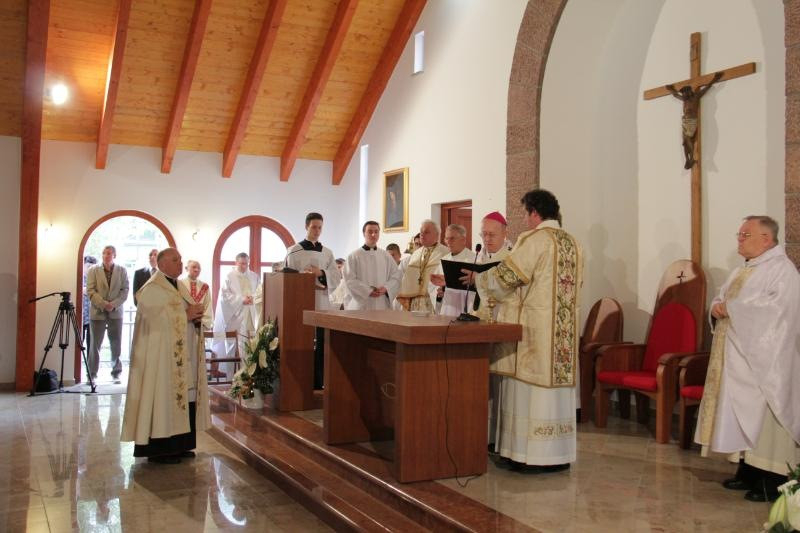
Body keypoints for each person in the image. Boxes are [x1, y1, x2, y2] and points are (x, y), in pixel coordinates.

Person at [476, 189, 582, 471]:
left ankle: (528, 457)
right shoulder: (573, 243)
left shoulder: (535, 240)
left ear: (535, 213)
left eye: (525, 213)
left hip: (534, 333)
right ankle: (558, 455)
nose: (525, 220)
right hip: (561, 335)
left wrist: (480, 280)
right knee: (555, 395)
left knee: (528, 392)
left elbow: (508, 277)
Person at [695, 215, 800, 502]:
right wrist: (716, 306)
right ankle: (749, 472)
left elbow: (779, 311)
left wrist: (732, 308)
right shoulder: (745, 269)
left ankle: (773, 479)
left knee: (766, 420)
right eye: (739, 234)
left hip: (767, 363)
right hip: (738, 357)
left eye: (746, 235)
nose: (739, 240)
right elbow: (723, 297)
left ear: (766, 239)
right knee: (742, 415)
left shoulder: (782, 270)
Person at [121, 248, 210, 464]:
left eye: (180, 260)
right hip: (161, 360)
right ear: (161, 265)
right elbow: (153, 322)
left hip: (181, 355)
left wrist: (195, 317)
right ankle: (160, 450)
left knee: (183, 398)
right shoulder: (152, 288)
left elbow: (184, 313)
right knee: (163, 398)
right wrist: (185, 315)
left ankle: (180, 445)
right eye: (175, 260)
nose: (180, 263)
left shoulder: (178, 285)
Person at [285, 212, 341, 389]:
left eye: (320, 228)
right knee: (304, 340)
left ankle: (319, 381)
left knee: (321, 341)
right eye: (314, 227)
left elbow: (336, 276)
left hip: (322, 301)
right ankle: (301, 379)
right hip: (302, 302)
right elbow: (288, 277)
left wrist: (321, 273)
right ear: (306, 227)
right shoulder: (294, 251)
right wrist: (303, 278)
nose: (317, 231)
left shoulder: (327, 253)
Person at [86, 245, 129, 381]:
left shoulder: (122, 270)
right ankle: (92, 373)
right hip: (98, 312)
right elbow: (90, 290)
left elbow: (125, 290)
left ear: (114, 255)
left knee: (116, 343)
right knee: (95, 344)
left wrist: (113, 304)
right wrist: (104, 304)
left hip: (116, 312)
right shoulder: (93, 270)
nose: (106, 255)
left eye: (109, 253)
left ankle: (116, 372)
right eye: (104, 253)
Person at [212, 252, 261, 369]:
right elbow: (224, 296)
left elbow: (260, 291)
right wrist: (241, 299)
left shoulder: (254, 276)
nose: (244, 266)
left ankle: (250, 374)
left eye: (246, 264)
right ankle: (233, 376)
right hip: (235, 317)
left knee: (251, 347)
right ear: (236, 263)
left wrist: (253, 298)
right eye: (241, 264)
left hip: (251, 316)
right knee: (234, 347)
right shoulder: (229, 277)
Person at [665, 72, 722, 169]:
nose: (683, 95)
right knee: (684, 142)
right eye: (683, 93)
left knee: (688, 138)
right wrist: (671, 89)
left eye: (684, 93)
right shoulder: (685, 100)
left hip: (691, 121)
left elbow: (707, 88)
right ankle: (687, 160)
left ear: (689, 92)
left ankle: (691, 158)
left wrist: (715, 79)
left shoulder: (696, 97)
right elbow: (675, 95)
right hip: (685, 121)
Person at [343, 221, 401, 311]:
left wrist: (386, 288)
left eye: (376, 232)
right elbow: (349, 279)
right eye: (370, 231)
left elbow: (396, 276)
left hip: (381, 304)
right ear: (364, 233)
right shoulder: (353, 256)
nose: (373, 234)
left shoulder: (386, 256)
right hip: (361, 305)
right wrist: (367, 291)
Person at [396, 220, 449, 313]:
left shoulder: (445, 253)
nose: (422, 234)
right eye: (421, 232)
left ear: (437, 235)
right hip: (414, 302)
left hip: (433, 302)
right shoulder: (416, 254)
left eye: (426, 232)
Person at [473, 211, 513, 321]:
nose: (487, 239)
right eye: (484, 234)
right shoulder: (478, 257)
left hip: (502, 316)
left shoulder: (512, 258)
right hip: (478, 315)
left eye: (491, 234)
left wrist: (477, 279)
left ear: (505, 233)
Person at [429, 224, 473, 316]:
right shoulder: (444, 260)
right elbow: (433, 287)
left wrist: (450, 290)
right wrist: (439, 292)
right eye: (446, 238)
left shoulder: (473, 259)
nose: (448, 242)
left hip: (465, 309)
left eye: (452, 238)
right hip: (447, 309)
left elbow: (476, 289)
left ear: (463, 240)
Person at [180, 260, 214, 375]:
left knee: (197, 358)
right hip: (185, 325)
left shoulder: (204, 287)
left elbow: (208, 306)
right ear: (186, 268)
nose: (197, 270)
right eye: (194, 267)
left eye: (199, 268)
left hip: (198, 327)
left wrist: (202, 321)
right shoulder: (180, 285)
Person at [81, 255, 97, 361]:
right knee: (79, 342)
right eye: (88, 266)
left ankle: (90, 367)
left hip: (93, 316)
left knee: (92, 344)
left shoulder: (96, 279)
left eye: (92, 267)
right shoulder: (79, 278)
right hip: (81, 316)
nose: (90, 269)